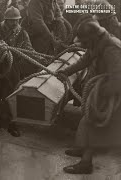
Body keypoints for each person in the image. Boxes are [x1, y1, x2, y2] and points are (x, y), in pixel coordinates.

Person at [57, 20, 121, 174]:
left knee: (93, 123)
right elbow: (85, 60)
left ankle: (86, 163)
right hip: (106, 88)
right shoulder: (98, 43)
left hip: (113, 93)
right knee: (88, 120)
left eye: (84, 41)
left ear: (92, 38)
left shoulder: (111, 49)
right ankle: (83, 149)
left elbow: (118, 79)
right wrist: (67, 71)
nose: (82, 45)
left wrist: (99, 94)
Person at [0, 7, 36, 137]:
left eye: (17, 20)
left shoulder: (22, 33)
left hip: (12, 69)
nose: (15, 23)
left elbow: (29, 48)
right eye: (12, 21)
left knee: (11, 95)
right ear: (5, 20)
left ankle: (11, 123)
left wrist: (33, 56)